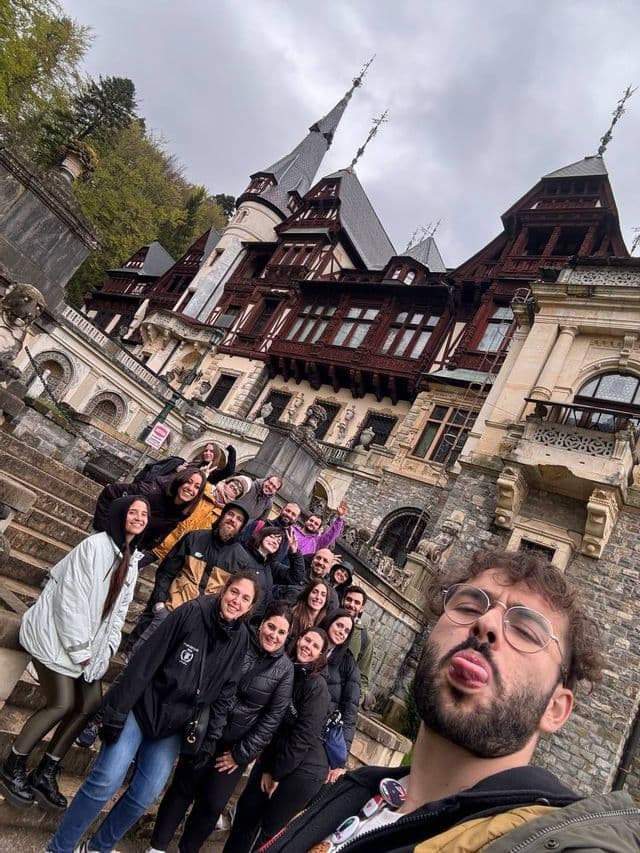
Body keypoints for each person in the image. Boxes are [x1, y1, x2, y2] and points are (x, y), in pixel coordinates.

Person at [260, 548, 640, 852]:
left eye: (525, 630)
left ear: (556, 708)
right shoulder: (355, 790)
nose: (486, 623)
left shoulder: (549, 841)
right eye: (469, 605)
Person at [46, 572, 259, 853]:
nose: (236, 601)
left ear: (251, 607)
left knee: (145, 794)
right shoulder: (191, 612)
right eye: (234, 592)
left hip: (175, 725)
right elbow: (144, 662)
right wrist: (117, 711)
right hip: (143, 707)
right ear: (224, 590)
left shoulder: (240, 639)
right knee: (106, 780)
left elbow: (225, 694)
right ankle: (59, 847)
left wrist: (209, 740)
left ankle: (98, 847)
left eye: (245, 598)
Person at [0, 496, 149, 813]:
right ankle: (13, 763)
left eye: (144, 514)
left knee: (92, 702)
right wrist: (83, 653)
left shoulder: (132, 560)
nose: (138, 517)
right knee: (62, 703)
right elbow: (71, 604)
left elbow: (117, 615)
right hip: (52, 634)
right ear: (121, 515)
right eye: (133, 512)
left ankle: (47, 770)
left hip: (83, 647)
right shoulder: (94, 547)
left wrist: (104, 652)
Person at [149, 600, 295, 853]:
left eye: (281, 632)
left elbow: (272, 718)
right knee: (182, 789)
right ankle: (158, 846)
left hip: (235, 748)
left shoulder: (285, 669)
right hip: (206, 731)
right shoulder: (239, 639)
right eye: (271, 627)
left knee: (212, 804)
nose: (274, 635)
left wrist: (241, 754)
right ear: (262, 623)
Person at [222, 626, 330, 853]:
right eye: (306, 640)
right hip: (273, 755)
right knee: (245, 814)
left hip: (303, 770)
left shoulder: (316, 687)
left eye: (315, 646)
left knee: (268, 832)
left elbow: (303, 738)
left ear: (321, 655)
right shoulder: (285, 669)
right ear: (299, 639)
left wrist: (276, 773)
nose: (308, 647)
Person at [129, 502, 252, 649]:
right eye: (230, 514)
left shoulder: (242, 560)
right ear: (222, 516)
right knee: (141, 654)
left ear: (242, 527)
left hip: (202, 623)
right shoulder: (194, 538)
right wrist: (160, 604)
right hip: (171, 610)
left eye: (239, 519)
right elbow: (166, 572)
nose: (233, 519)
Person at [93, 467, 206, 552]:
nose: (191, 489)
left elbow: (155, 538)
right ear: (180, 480)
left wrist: (139, 547)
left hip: (127, 551)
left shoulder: (181, 513)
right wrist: (103, 528)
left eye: (197, 487)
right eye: (189, 482)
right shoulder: (150, 492)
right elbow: (110, 492)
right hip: (106, 540)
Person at [153, 475, 251, 562]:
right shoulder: (204, 489)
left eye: (238, 490)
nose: (235, 488)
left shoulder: (225, 513)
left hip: (182, 552)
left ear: (238, 496)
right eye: (234, 484)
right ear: (228, 482)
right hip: (163, 539)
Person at [319, 609, 360, 784]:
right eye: (339, 625)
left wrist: (338, 758)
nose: (341, 632)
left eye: (346, 631)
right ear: (330, 622)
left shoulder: (348, 664)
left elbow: (350, 713)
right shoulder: (310, 642)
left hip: (320, 737)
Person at [240, 526, 305, 621]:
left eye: (278, 541)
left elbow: (295, 577)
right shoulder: (242, 554)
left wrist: (294, 553)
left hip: (254, 621)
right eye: (272, 537)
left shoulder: (271, 566)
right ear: (262, 536)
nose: (275, 542)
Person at [134, 441, 236, 485]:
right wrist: (178, 469)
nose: (207, 453)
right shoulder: (195, 463)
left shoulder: (214, 472)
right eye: (206, 450)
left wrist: (231, 450)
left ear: (216, 454)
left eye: (211, 451)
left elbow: (230, 470)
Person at [342, 585, 374, 703]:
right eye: (349, 599)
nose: (351, 605)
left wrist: (354, 700)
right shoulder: (328, 620)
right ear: (342, 600)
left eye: (357, 602)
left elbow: (364, 676)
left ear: (362, 608)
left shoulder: (365, 638)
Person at [288, 578, 331, 649]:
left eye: (323, 595)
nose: (318, 597)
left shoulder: (325, 624)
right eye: (314, 592)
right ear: (307, 594)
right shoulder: (292, 615)